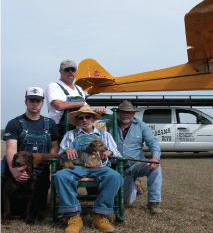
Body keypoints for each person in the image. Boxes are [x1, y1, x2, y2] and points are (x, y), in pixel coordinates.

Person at [53, 105, 123, 233]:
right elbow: (60, 154)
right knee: (60, 176)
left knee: (114, 176)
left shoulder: (104, 135)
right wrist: (66, 149)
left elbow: (118, 154)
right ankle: (73, 215)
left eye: (88, 117)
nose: (84, 120)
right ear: (78, 121)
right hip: (76, 166)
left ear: (93, 119)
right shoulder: (71, 134)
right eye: (80, 118)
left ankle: (100, 215)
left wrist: (109, 152)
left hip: (98, 166)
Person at [1, 87, 60, 212]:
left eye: (37, 101)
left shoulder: (50, 124)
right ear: (26, 102)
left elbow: (55, 146)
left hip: (39, 170)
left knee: (38, 210)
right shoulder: (14, 123)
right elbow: (11, 150)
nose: (34, 103)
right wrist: (14, 171)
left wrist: (51, 158)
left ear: (43, 103)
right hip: (18, 168)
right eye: (31, 100)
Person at [115, 100, 163, 215]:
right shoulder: (110, 124)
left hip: (136, 164)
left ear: (133, 114)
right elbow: (91, 124)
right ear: (118, 113)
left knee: (156, 168)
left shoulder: (141, 126)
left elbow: (153, 142)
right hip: (117, 167)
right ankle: (135, 186)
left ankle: (153, 203)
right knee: (127, 201)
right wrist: (97, 112)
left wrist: (155, 158)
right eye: (122, 112)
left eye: (129, 112)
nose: (126, 115)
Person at [45, 59, 105, 140]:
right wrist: (82, 103)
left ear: (76, 71)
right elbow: (58, 105)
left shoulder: (79, 89)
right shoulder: (54, 86)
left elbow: (85, 109)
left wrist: (97, 111)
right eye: (66, 69)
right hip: (58, 129)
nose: (70, 72)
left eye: (73, 69)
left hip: (77, 129)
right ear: (60, 71)